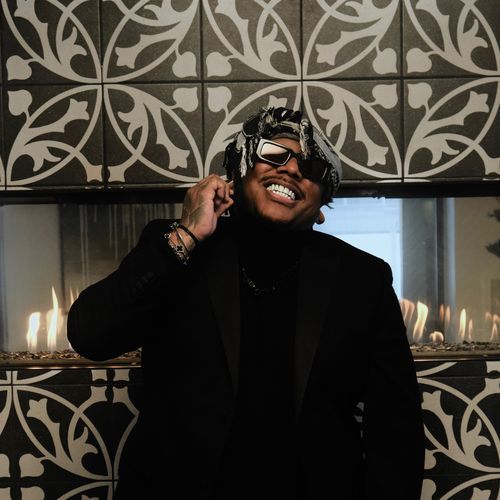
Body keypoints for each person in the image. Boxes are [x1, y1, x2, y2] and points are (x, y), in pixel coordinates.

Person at [67, 107, 425, 499]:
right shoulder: (175, 248)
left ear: (323, 204)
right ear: (238, 172)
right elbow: (90, 335)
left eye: (311, 168)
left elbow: (396, 424)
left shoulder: (363, 279)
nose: (291, 169)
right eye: (273, 154)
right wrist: (187, 235)